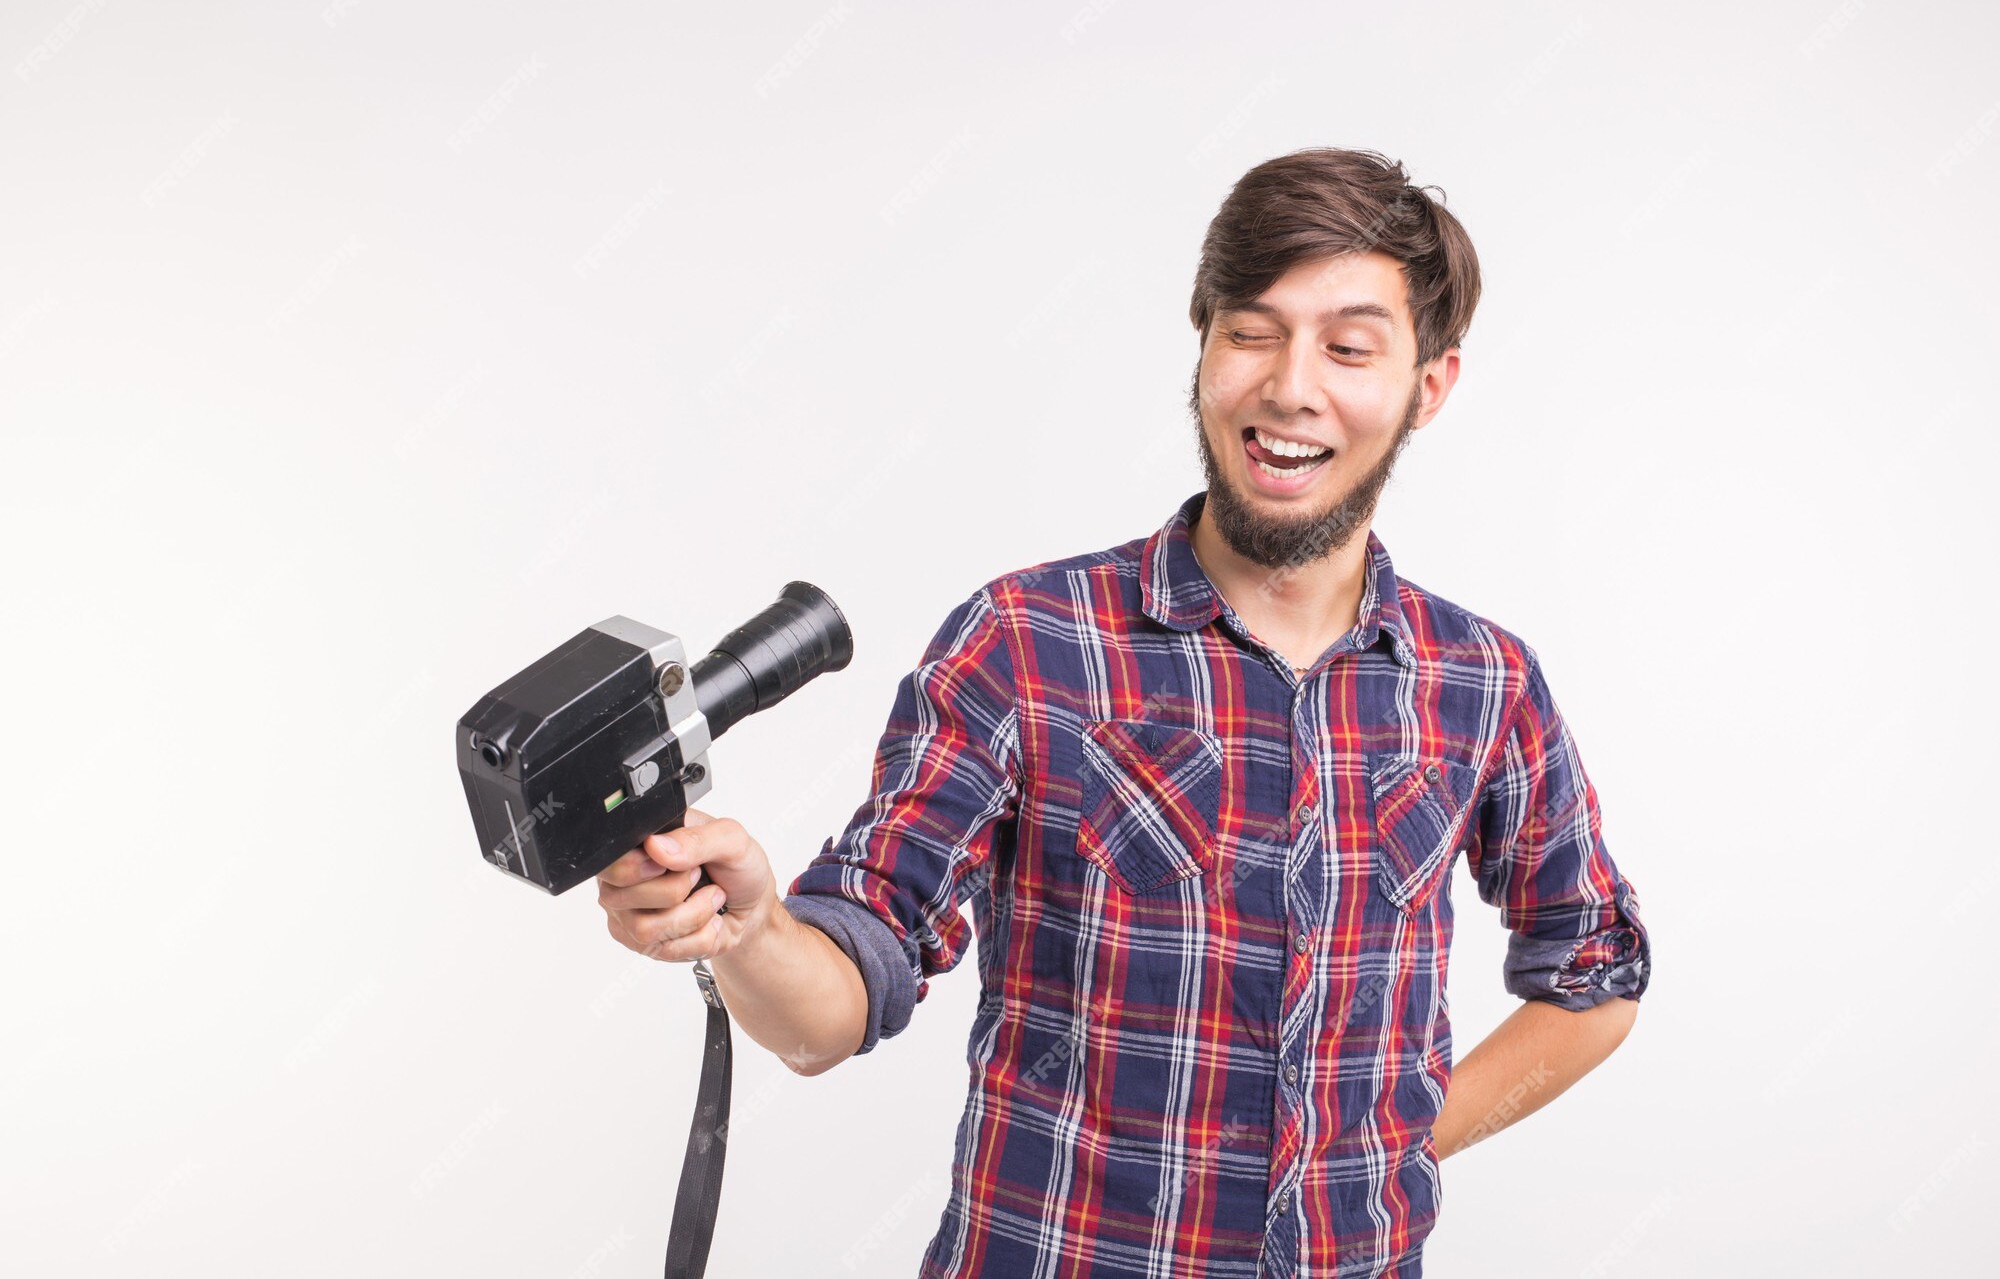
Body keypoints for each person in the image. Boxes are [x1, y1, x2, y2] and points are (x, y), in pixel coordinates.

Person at [596, 146, 1652, 1278]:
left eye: (1347, 347)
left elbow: (1594, 973)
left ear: (1426, 385)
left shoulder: (1480, 683)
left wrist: (1400, 1140)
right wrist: (750, 928)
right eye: (1251, 330)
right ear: (1203, 346)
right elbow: (831, 1005)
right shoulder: (1025, 641)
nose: (1290, 385)